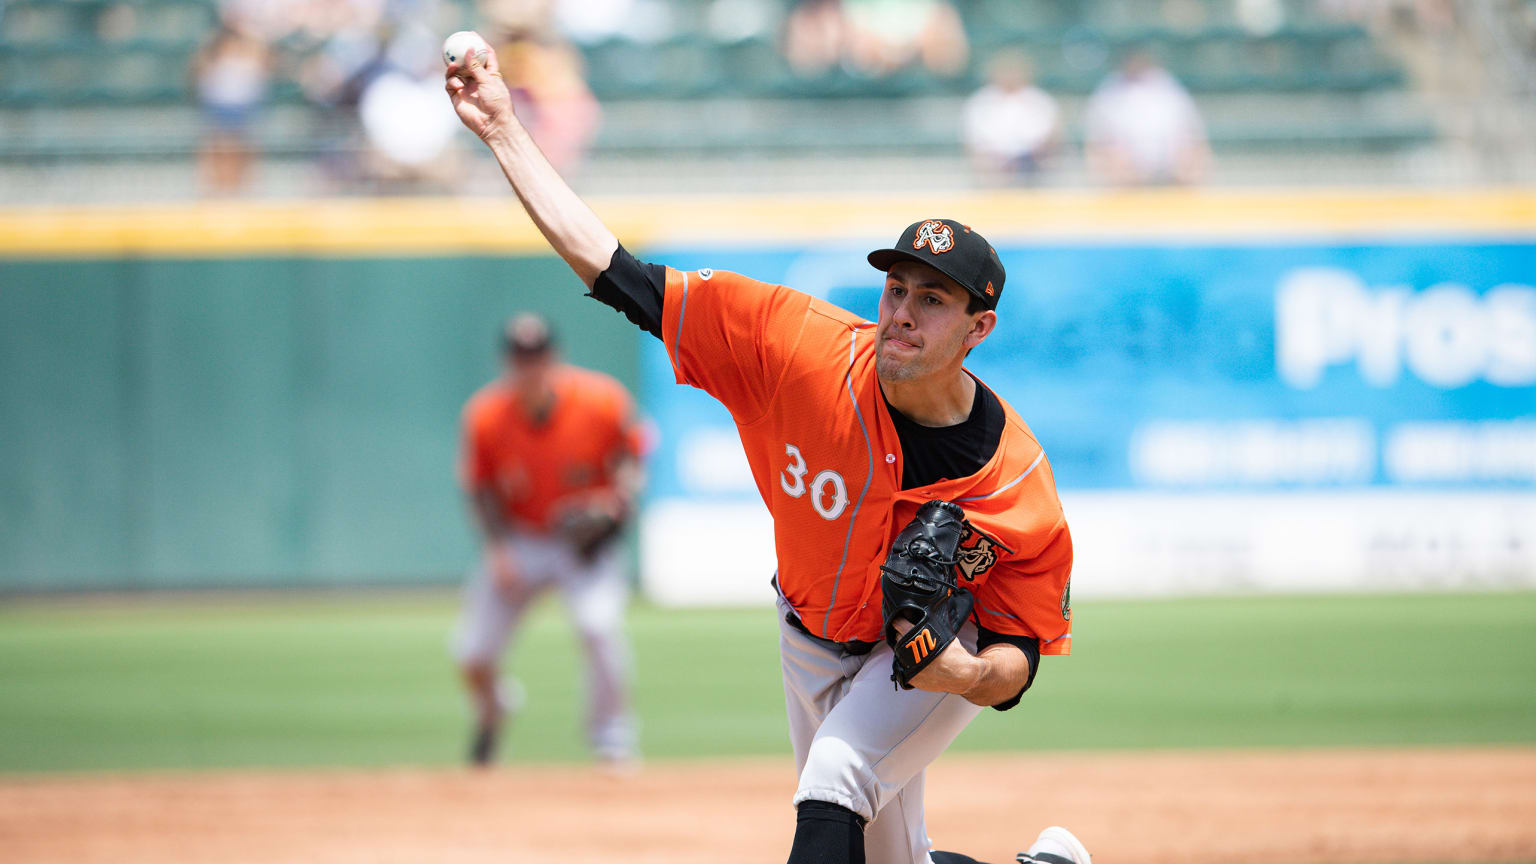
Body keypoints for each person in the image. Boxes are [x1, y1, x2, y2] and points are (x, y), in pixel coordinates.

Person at [444, 47, 1090, 864]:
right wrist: (502, 127)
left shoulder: (1015, 478)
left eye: (933, 299)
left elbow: (1018, 659)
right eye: (897, 289)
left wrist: (959, 672)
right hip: (806, 634)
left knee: (836, 780)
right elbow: (615, 273)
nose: (902, 312)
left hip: (914, 658)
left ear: (978, 328)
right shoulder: (795, 348)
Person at [454, 313, 644, 768]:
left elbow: (630, 461)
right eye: (521, 357)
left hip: (582, 546)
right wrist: (498, 550)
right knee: (471, 652)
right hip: (522, 538)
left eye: (537, 355)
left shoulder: (602, 401)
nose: (530, 366)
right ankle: (494, 707)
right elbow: (480, 490)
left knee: (599, 629)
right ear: (507, 363)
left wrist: (619, 501)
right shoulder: (485, 416)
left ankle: (612, 741)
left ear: (554, 357)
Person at [1083, 48, 1211, 187]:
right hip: (1124, 177)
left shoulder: (1167, 85)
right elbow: (1096, 142)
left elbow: (1193, 133)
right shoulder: (1109, 91)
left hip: (1171, 172)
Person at [962, 49, 1060, 184]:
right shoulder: (981, 101)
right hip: (993, 162)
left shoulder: (1039, 100)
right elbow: (974, 141)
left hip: (1031, 162)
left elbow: (1050, 137)